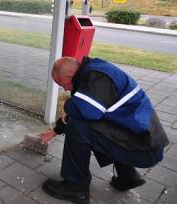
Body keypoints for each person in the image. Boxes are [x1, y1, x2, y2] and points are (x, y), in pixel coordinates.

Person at [40, 56, 169, 204]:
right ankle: (128, 177)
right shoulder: (94, 70)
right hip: (142, 142)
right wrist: (55, 131)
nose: (65, 89)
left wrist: (68, 105)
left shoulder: (98, 77)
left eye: (63, 84)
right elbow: (85, 109)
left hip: (144, 148)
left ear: (71, 75)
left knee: (79, 126)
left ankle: (76, 187)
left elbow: (84, 112)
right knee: (93, 123)